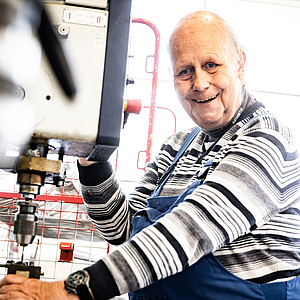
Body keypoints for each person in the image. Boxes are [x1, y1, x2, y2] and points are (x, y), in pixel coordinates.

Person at [1, 10, 300, 300]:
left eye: (211, 65)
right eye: (185, 71)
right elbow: (123, 230)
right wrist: (91, 152)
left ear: (240, 64)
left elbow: (192, 229)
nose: (199, 83)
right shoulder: (178, 145)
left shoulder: (268, 137)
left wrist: (69, 291)